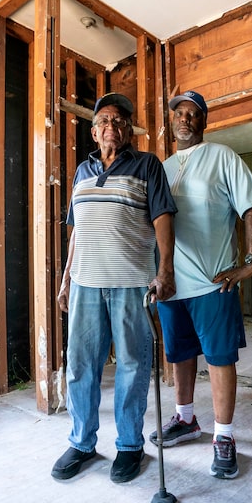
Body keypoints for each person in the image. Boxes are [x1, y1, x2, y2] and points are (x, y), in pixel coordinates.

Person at [52, 93, 177, 483]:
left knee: (132, 367)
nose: (113, 126)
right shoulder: (81, 172)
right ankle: (82, 443)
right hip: (86, 283)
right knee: (81, 366)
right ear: (93, 131)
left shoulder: (147, 166)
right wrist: (66, 275)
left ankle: (129, 446)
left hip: (131, 283)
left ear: (129, 131)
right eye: (105, 120)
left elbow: (162, 220)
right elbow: (76, 229)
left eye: (121, 121)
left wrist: (166, 272)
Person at [152, 90, 252, 479]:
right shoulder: (162, 168)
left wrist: (249, 263)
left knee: (219, 357)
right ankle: (186, 420)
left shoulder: (222, 157)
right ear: (170, 120)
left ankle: (224, 437)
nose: (185, 119)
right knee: (180, 354)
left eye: (193, 113)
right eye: (178, 113)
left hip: (212, 281)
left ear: (203, 121)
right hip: (171, 285)